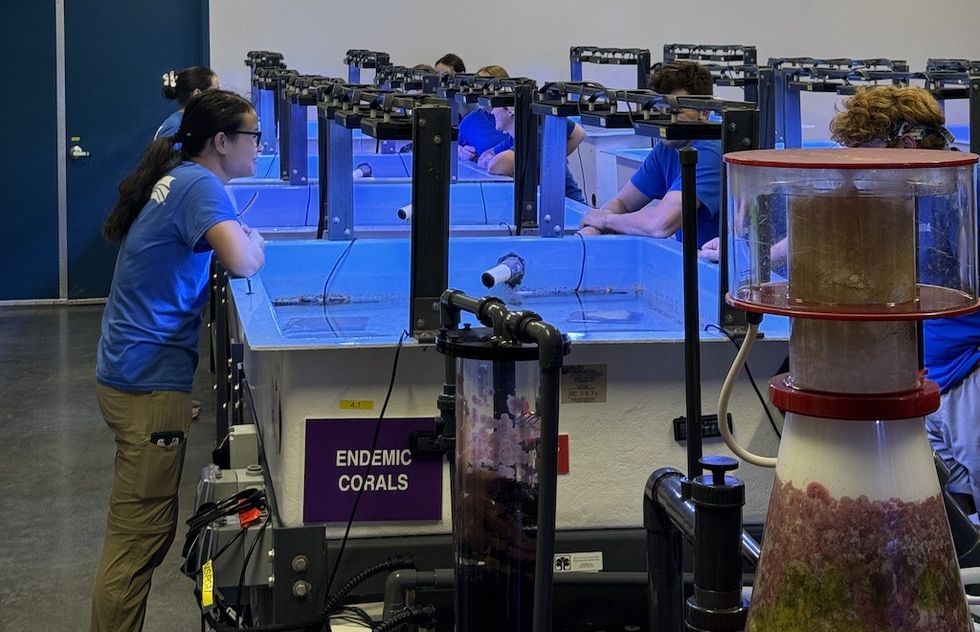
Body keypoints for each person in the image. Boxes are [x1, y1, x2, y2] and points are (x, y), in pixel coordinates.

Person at [91, 89, 266, 631]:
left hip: (131, 373)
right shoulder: (201, 186)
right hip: (146, 385)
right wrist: (254, 240)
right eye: (253, 137)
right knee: (137, 540)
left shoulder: (181, 177)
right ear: (222, 141)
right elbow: (242, 262)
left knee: (141, 532)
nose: (259, 149)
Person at [832, 85, 980, 513]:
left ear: (907, 144)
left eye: (865, 153)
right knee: (952, 518)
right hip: (929, 379)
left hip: (969, 372)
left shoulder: (965, 191)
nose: (857, 170)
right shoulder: (906, 191)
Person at [578, 61, 721, 246]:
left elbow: (660, 224)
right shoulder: (667, 147)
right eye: (657, 110)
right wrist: (592, 227)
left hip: (722, 269)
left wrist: (605, 220)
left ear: (704, 112)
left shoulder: (710, 152)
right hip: (695, 261)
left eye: (674, 111)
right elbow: (623, 203)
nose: (664, 119)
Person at [475, 95, 588, 204]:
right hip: (546, 203)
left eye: (495, 107)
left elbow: (495, 165)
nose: (492, 112)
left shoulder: (536, 136)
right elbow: (485, 157)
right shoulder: (514, 138)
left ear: (510, 111)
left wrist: (553, 158)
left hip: (569, 206)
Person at [458, 65, 511, 161]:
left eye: (485, 87)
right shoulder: (471, 120)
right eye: (477, 87)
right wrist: (461, 151)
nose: (480, 92)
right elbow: (452, 144)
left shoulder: (512, 119)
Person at [154, 66, 219, 140]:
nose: (220, 95)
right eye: (215, 91)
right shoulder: (176, 126)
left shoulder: (196, 123)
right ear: (197, 94)